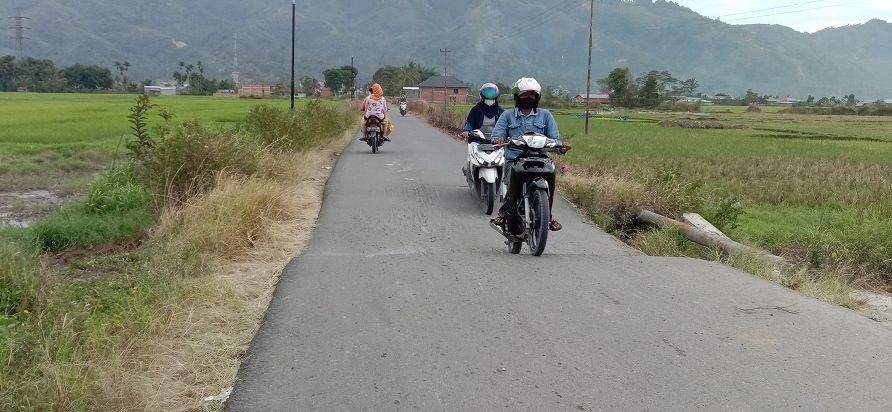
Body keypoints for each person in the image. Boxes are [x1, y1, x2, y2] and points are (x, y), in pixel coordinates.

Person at [491, 77, 571, 231]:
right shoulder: (507, 116)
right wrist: (498, 140)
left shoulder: (545, 115)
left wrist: (560, 146)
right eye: (525, 94)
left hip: (540, 159)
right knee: (513, 183)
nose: (529, 98)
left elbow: (555, 139)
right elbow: (497, 136)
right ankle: (504, 213)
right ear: (517, 96)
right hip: (514, 159)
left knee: (550, 180)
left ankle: (547, 217)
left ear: (537, 97)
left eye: (532, 95)